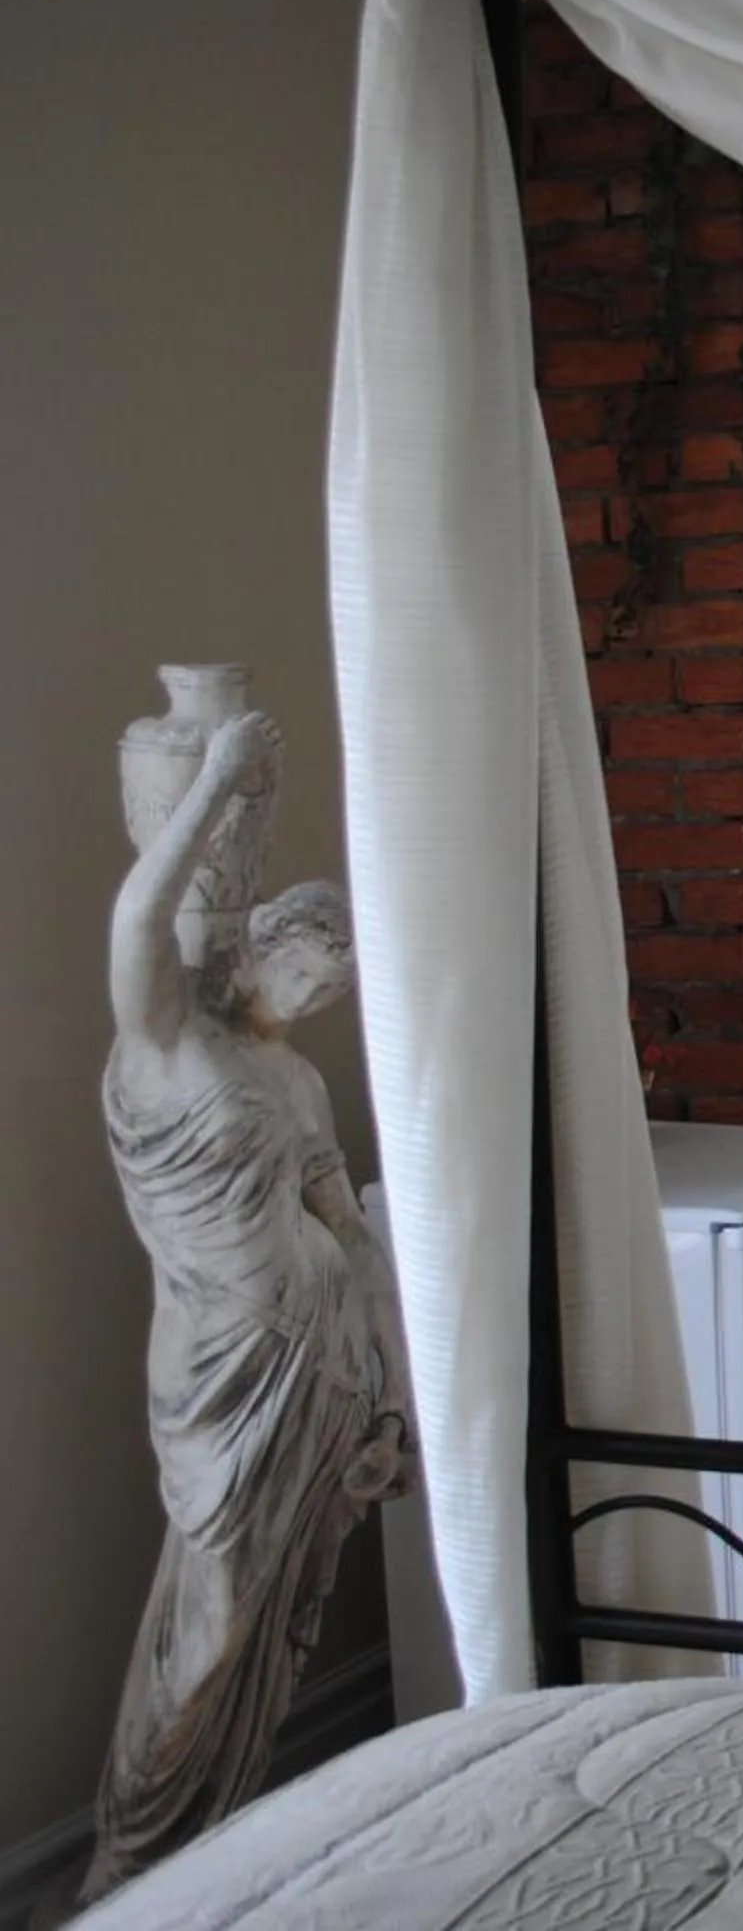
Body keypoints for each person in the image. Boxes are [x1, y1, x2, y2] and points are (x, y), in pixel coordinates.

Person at [87, 711, 409, 1899]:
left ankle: (222, 1840)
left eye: (332, 983)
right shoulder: (167, 1042)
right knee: (216, 1607)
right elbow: (137, 918)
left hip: (317, 1371)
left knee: (277, 1610)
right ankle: (131, 1849)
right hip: (221, 1368)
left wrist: (389, 1385)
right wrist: (215, 781)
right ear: (259, 943)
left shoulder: (295, 1076)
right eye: (303, 966)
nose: (314, 991)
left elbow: (348, 1230)